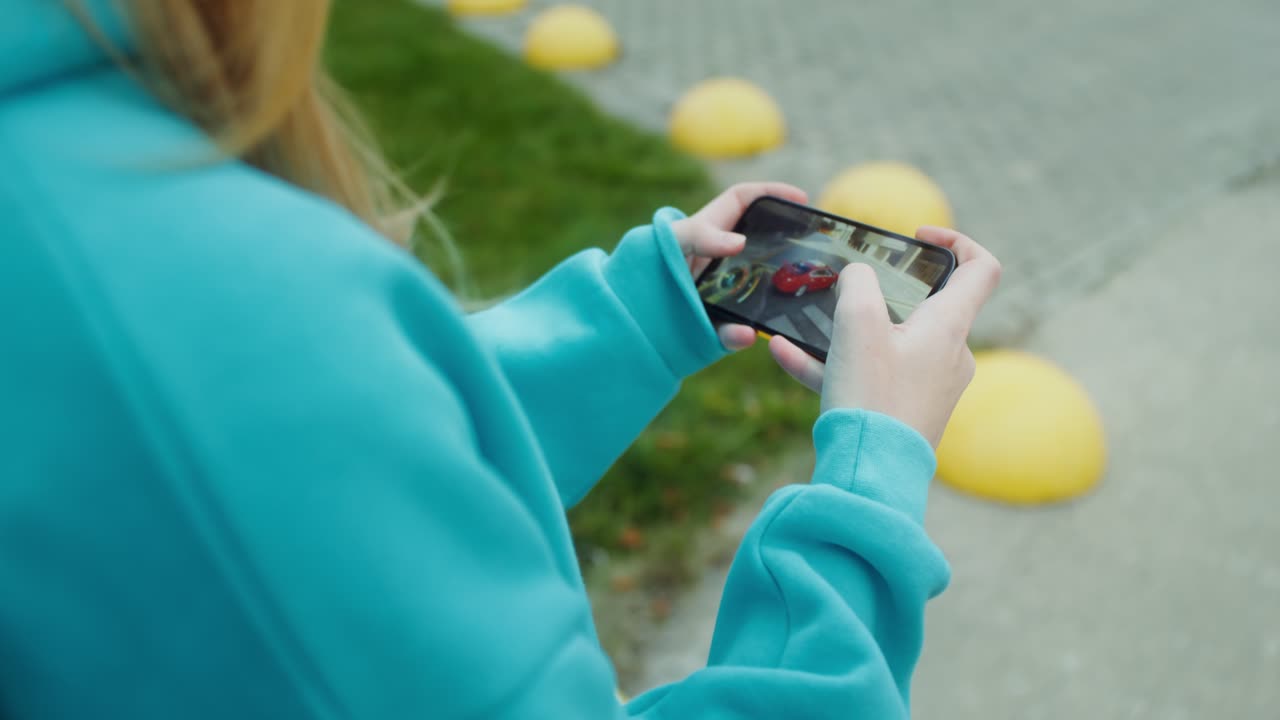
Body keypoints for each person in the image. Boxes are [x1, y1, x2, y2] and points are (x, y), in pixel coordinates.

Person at [0, 0, 1000, 718]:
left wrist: (642, 311)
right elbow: (275, 429)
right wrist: (871, 474)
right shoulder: (202, 306)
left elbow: (371, 455)